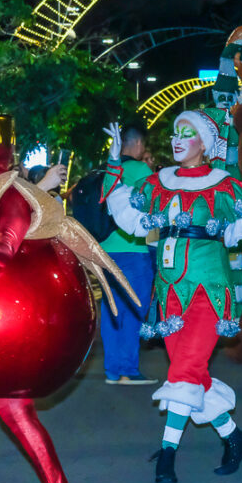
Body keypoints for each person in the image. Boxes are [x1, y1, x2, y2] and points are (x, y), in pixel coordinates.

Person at [106, 110, 242, 483]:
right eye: (175, 133)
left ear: (204, 144)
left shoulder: (224, 184)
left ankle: (167, 454)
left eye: (187, 133)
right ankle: (233, 437)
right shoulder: (159, 181)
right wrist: (116, 161)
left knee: (182, 372)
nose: (178, 139)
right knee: (193, 373)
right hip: (169, 296)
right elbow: (124, 214)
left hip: (209, 292)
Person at [100, 122, 157, 386]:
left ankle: (112, 370)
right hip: (133, 250)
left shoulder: (108, 172)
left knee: (112, 311)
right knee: (135, 310)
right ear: (136, 144)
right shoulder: (140, 169)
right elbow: (154, 202)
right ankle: (128, 370)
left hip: (106, 252)